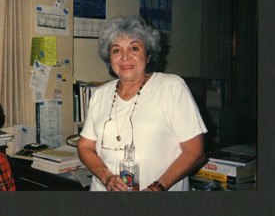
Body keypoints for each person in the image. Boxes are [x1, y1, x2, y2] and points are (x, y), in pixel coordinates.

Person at [77, 15, 207, 191]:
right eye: (116, 50)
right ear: (109, 58)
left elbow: (195, 152)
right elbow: (85, 146)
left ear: (148, 55)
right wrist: (105, 177)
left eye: (134, 48)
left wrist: (157, 188)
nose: (125, 57)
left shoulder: (172, 87)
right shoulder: (100, 95)